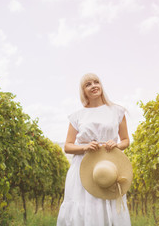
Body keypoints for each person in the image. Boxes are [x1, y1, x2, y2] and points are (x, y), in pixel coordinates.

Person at [57, 73, 131, 226]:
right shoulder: (77, 116)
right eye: (88, 84)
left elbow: (125, 140)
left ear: (101, 85)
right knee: (86, 206)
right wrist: (85, 147)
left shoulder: (117, 111)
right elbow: (67, 146)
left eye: (96, 82)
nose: (93, 86)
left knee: (108, 202)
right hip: (83, 168)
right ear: (83, 91)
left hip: (109, 164)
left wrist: (116, 145)